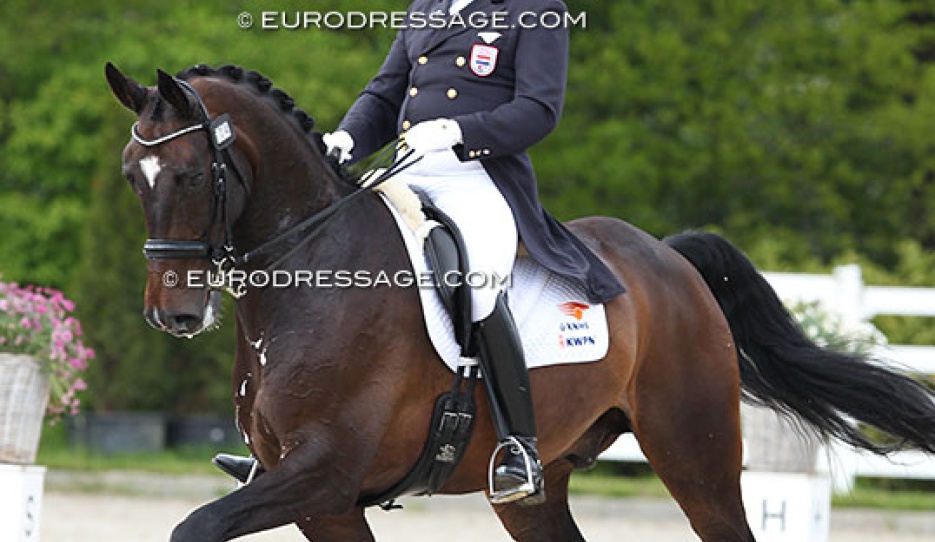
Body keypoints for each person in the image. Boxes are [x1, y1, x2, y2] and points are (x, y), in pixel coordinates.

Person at [215, 0, 624, 505]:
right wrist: (345, 138)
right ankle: (277, 442)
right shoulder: (425, 7)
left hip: (479, 176)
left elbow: (539, 110)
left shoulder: (535, 10)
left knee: (477, 281)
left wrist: (460, 132)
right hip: (408, 170)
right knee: (325, 260)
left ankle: (518, 446)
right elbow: (385, 93)